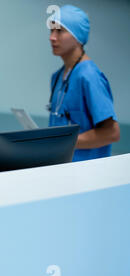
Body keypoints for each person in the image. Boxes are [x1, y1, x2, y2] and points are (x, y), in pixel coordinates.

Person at [48, 5, 120, 161]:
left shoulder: (89, 76)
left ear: (77, 37)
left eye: (59, 31)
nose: (52, 37)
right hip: (60, 167)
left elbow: (111, 132)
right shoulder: (58, 77)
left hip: (86, 173)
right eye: (51, 31)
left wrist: (64, 142)